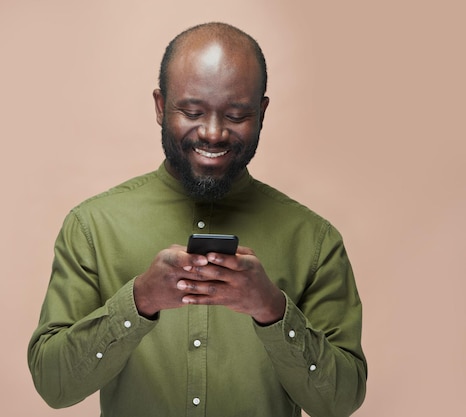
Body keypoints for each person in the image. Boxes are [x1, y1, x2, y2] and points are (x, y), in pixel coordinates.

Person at [28, 22, 367, 417]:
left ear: (262, 112)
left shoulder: (315, 241)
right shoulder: (92, 227)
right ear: (160, 105)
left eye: (237, 115)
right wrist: (138, 301)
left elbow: (341, 401)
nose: (213, 133)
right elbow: (54, 386)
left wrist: (273, 311)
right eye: (192, 111)